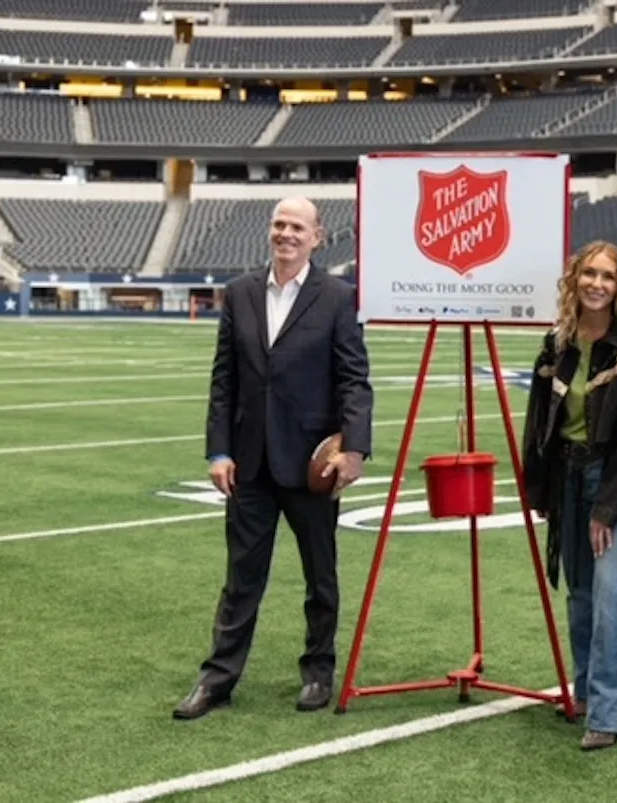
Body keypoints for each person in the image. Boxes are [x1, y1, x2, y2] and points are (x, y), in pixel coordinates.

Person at [174, 196, 373, 720]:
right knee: (241, 578)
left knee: (320, 575)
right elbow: (224, 380)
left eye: (297, 227)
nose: (285, 234)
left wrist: (353, 448)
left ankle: (317, 671)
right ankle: (218, 678)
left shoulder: (337, 297)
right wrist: (218, 450)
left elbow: (354, 379)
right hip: (250, 463)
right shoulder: (240, 293)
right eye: (279, 224)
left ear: (316, 237)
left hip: (311, 462)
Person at [521, 240, 617, 751]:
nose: (597, 284)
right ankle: (582, 692)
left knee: (610, 589)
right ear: (574, 280)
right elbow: (539, 419)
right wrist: (539, 487)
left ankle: (605, 711)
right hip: (567, 476)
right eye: (588, 274)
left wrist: (608, 506)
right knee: (578, 594)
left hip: (612, 478)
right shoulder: (558, 343)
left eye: (608, 275)